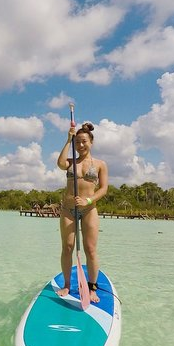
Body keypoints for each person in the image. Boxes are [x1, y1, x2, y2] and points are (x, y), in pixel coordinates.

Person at [56, 122, 109, 303]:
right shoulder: (71, 161)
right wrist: (68, 139)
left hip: (89, 209)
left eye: (83, 141)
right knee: (68, 247)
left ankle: (92, 287)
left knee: (91, 249)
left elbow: (103, 189)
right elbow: (60, 163)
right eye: (77, 142)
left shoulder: (101, 164)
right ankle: (66, 285)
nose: (80, 145)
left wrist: (88, 200)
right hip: (68, 210)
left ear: (91, 142)